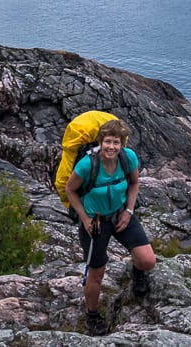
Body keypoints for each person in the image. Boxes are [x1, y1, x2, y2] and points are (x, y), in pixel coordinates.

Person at [65, 118, 156, 336]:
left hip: (121, 214)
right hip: (94, 221)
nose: (111, 147)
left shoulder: (128, 158)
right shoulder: (87, 164)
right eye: (107, 142)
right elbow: (70, 190)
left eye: (116, 142)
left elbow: (134, 183)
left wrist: (129, 211)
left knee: (147, 260)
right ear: (100, 142)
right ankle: (92, 315)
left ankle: (138, 273)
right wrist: (85, 220)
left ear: (122, 144)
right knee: (97, 273)